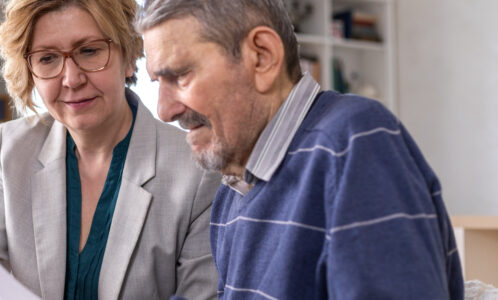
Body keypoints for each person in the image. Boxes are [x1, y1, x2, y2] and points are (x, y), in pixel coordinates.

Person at [137, 1, 463, 299]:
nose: (165, 111)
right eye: (157, 84)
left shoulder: (354, 143)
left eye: (179, 76)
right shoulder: (233, 186)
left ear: (261, 56)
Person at [0, 0, 221, 299]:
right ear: (29, 70)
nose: (71, 79)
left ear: (128, 57)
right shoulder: (12, 149)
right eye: (47, 58)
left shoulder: (197, 169)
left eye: (89, 51)